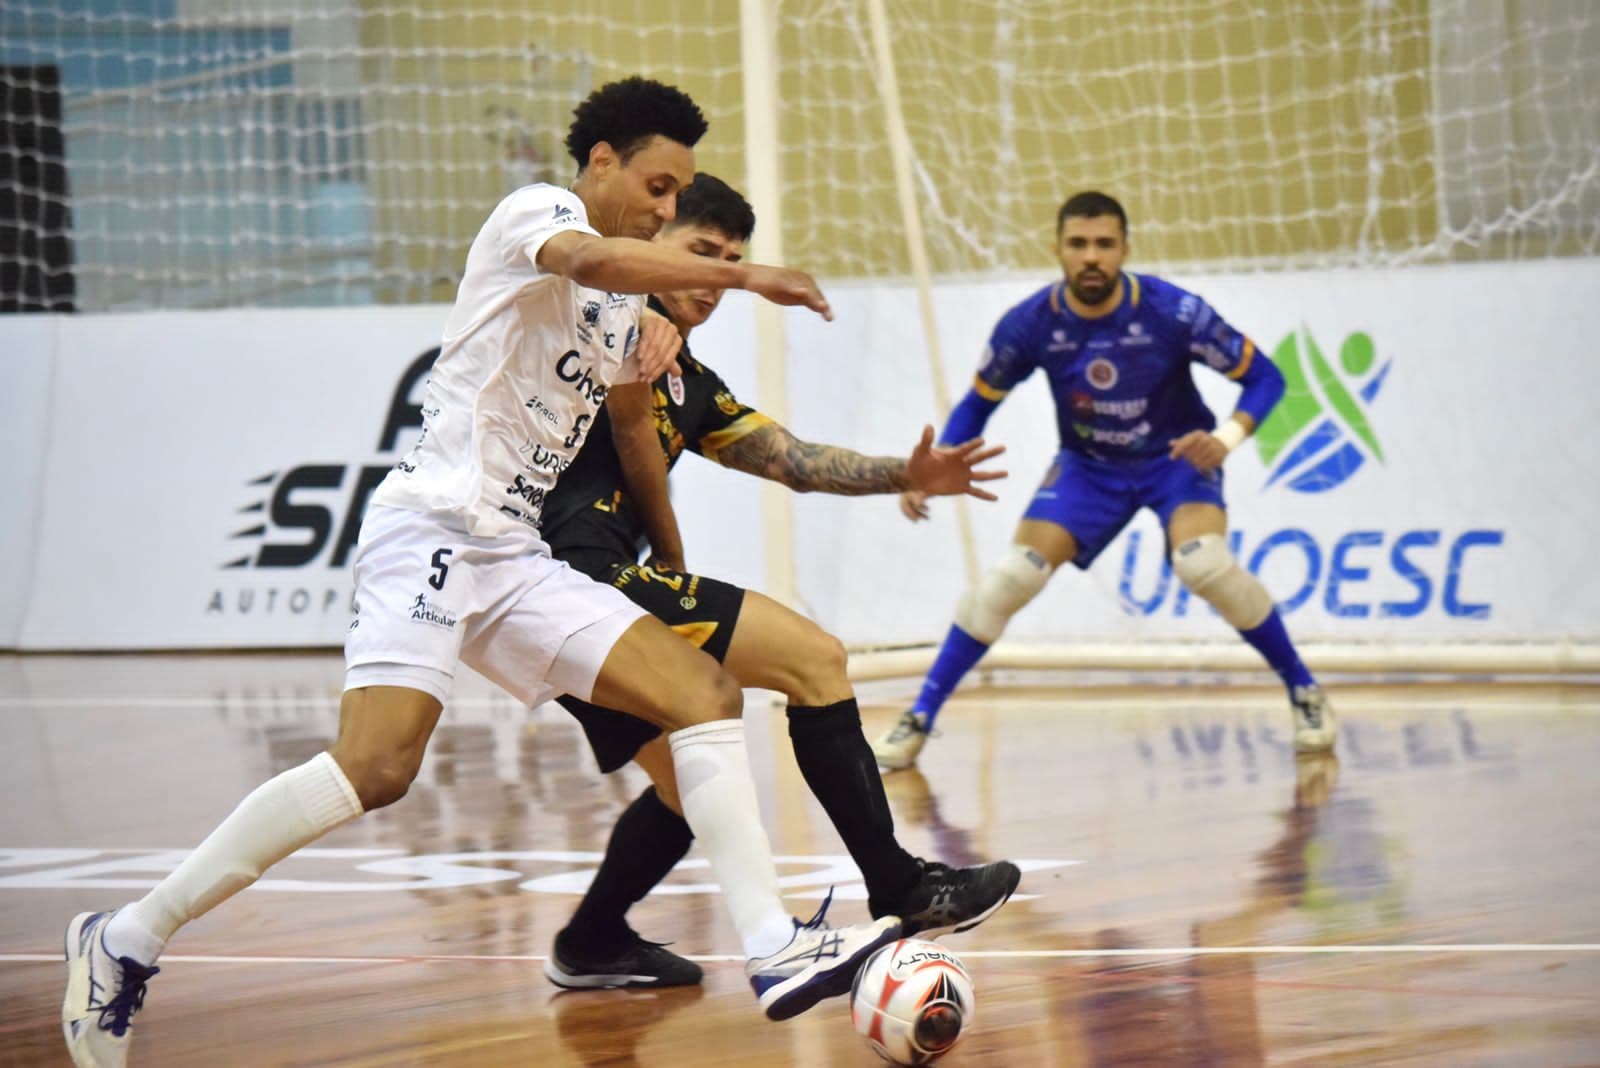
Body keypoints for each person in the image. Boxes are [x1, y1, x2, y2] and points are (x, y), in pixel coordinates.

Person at [61, 78, 903, 1068]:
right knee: (375, 770)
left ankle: (771, 946)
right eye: (659, 186)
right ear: (600, 164)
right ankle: (123, 939)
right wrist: (754, 277)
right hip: (431, 529)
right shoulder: (536, 215)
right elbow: (591, 256)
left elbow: (647, 399)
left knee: (704, 695)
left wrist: (667, 345)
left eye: (679, 195)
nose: (668, 209)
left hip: (514, 557)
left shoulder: (622, 313)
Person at [531, 174, 1021, 990]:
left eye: (731, 261)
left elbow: (790, 460)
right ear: (649, 245)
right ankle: (900, 885)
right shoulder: (602, 315)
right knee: (815, 659)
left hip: (576, 596)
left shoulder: (692, 381)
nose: (717, 275)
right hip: (564, 573)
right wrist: (639, 310)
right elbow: (583, 281)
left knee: (696, 791)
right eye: (699, 252)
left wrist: (910, 471)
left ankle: (591, 941)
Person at [873, 191, 1335, 771]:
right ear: (1058, 250)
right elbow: (977, 404)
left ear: (1125, 249)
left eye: (1104, 245)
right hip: (1088, 469)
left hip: (1176, 462)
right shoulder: (1030, 324)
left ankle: (1304, 690)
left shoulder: (1173, 312)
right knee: (1009, 580)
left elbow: (1265, 378)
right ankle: (919, 717)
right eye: (1078, 245)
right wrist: (932, 468)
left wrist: (1226, 440)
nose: (1091, 257)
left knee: (1204, 564)